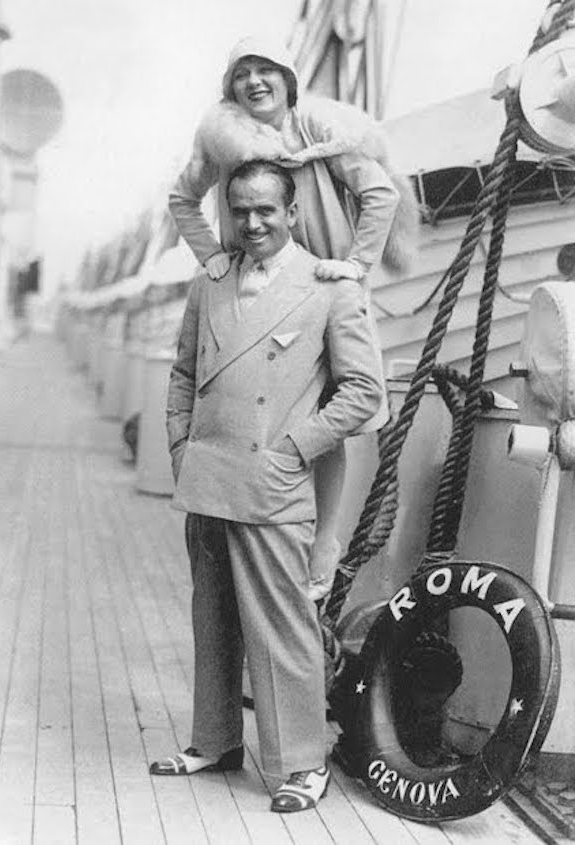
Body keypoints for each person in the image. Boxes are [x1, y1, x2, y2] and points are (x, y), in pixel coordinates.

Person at [150, 160, 383, 812]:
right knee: (213, 618)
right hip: (208, 479)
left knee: (283, 628)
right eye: (241, 210)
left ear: (291, 212)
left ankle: (303, 761)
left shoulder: (328, 288)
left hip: (272, 483)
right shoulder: (210, 282)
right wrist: (180, 445)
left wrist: (295, 448)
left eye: (266, 210)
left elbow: (364, 392)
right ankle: (215, 740)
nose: (252, 223)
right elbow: (180, 373)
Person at [169, 35, 417, 601]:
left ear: (288, 78)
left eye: (266, 71)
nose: (254, 82)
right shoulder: (224, 138)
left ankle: (322, 545)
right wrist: (212, 257)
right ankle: (251, 520)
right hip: (258, 286)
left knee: (333, 416)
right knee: (265, 408)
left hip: (322, 287)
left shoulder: (319, 130)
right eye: (242, 73)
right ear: (229, 86)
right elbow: (182, 199)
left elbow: (380, 194)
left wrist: (354, 266)